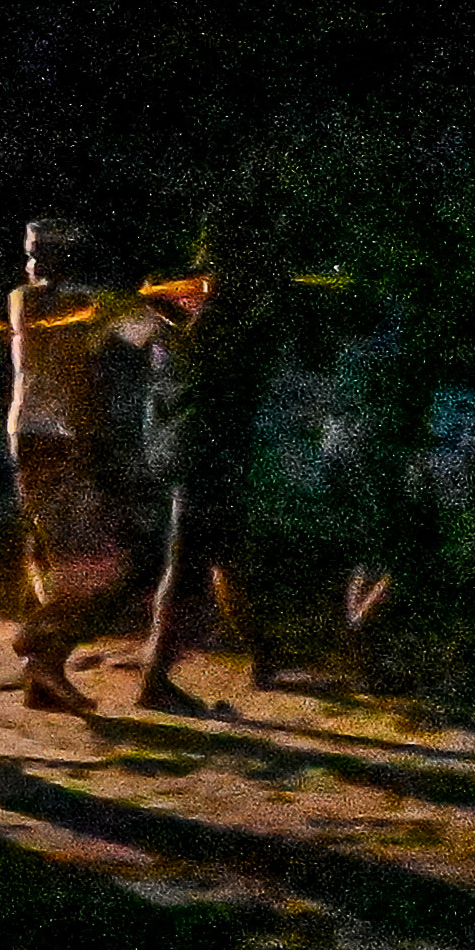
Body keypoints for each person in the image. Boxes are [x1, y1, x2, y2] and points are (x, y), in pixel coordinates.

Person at [129, 222, 305, 705]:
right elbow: (220, 367)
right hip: (204, 453)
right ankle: (154, 678)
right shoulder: (216, 317)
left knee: (229, 558)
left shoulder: (178, 311)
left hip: (198, 449)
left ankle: (265, 656)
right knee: (188, 564)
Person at [2, 220, 164, 714]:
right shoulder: (69, 301)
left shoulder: (34, 300)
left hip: (38, 435)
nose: (36, 262)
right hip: (56, 439)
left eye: (44, 252)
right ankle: (40, 638)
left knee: (53, 555)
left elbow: (139, 329)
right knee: (106, 564)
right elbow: (151, 331)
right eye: (37, 252)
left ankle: (42, 677)